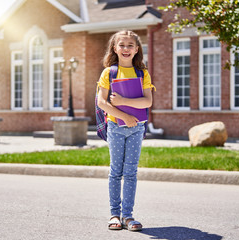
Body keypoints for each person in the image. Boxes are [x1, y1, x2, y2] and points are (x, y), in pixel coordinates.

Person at [97, 30, 155, 231]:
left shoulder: (142, 73)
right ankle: (114, 214)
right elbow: (101, 102)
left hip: (137, 128)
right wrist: (124, 115)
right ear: (115, 48)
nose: (126, 49)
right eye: (122, 45)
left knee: (130, 172)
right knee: (116, 171)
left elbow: (148, 101)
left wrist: (123, 102)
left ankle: (128, 216)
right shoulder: (109, 73)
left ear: (137, 49)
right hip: (115, 127)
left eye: (130, 45)